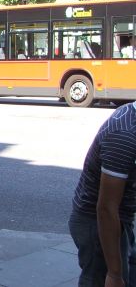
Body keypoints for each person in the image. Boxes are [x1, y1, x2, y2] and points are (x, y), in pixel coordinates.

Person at [69, 102, 136, 286]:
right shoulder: (125, 134)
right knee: (102, 279)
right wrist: (114, 274)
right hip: (98, 224)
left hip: (122, 217)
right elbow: (106, 209)